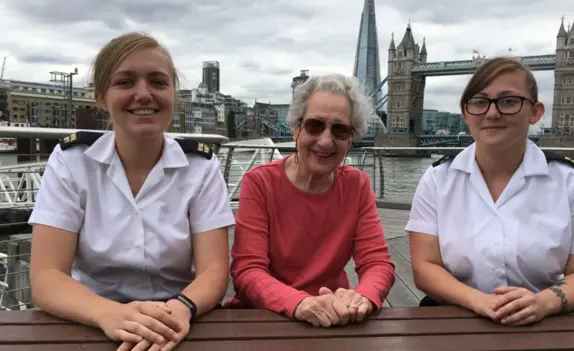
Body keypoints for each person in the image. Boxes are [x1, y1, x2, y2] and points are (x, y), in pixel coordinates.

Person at [28, 32, 235, 351]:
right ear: (100, 96)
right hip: (92, 319)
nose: (144, 94)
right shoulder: (71, 162)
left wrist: (180, 309)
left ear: (173, 94)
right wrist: (109, 314)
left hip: (180, 320)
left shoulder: (201, 167)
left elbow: (214, 270)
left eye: (158, 82)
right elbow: (46, 275)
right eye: (125, 82)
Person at [406, 57, 574, 326]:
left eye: (508, 101)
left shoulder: (570, 181)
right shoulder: (437, 180)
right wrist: (480, 301)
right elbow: (424, 268)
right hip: (455, 318)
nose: (492, 113)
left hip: (541, 322)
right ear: (466, 112)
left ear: (535, 112)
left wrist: (543, 303)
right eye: (480, 102)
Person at [225, 73, 395, 327]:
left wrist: (363, 297)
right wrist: (301, 303)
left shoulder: (357, 185)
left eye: (340, 130)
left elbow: (377, 263)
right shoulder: (260, 182)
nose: (326, 141)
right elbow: (247, 271)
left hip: (335, 317)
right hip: (264, 318)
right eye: (315, 125)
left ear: (351, 138)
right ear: (296, 128)